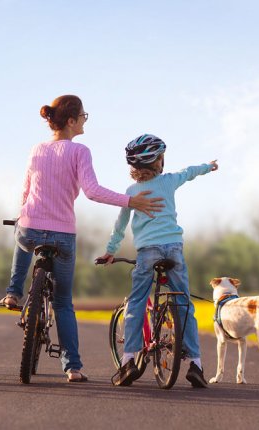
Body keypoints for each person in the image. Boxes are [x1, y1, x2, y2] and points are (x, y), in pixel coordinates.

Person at [0, 95, 164, 382]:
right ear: (72, 121)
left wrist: (23, 216)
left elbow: (25, 192)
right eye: (84, 116)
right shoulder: (80, 151)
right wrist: (130, 201)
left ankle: (14, 290)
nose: (85, 121)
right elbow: (92, 191)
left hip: (30, 229)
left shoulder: (36, 149)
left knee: (21, 236)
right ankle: (72, 367)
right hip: (63, 234)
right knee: (63, 301)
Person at [97, 134, 218, 388]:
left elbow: (120, 226)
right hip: (174, 249)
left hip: (147, 252)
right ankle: (196, 364)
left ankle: (129, 360)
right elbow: (189, 172)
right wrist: (209, 167)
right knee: (184, 303)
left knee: (137, 302)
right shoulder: (169, 181)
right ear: (158, 162)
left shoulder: (131, 192)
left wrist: (110, 250)